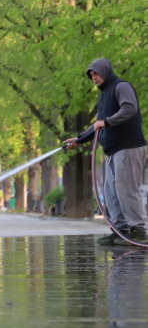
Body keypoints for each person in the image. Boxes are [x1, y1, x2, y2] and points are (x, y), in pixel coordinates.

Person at [64, 58, 148, 245]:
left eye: (97, 73)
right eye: (91, 75)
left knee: (126, 190)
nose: (94, 77)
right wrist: (79, 139)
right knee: (111, 193)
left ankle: (139, 231)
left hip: (129, 148)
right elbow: (98, 125)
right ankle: (121, 230)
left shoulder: (121, 87)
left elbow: (129, 108)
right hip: (113, 152)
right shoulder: (104, 96)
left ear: (106, 71)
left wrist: (107, 121)